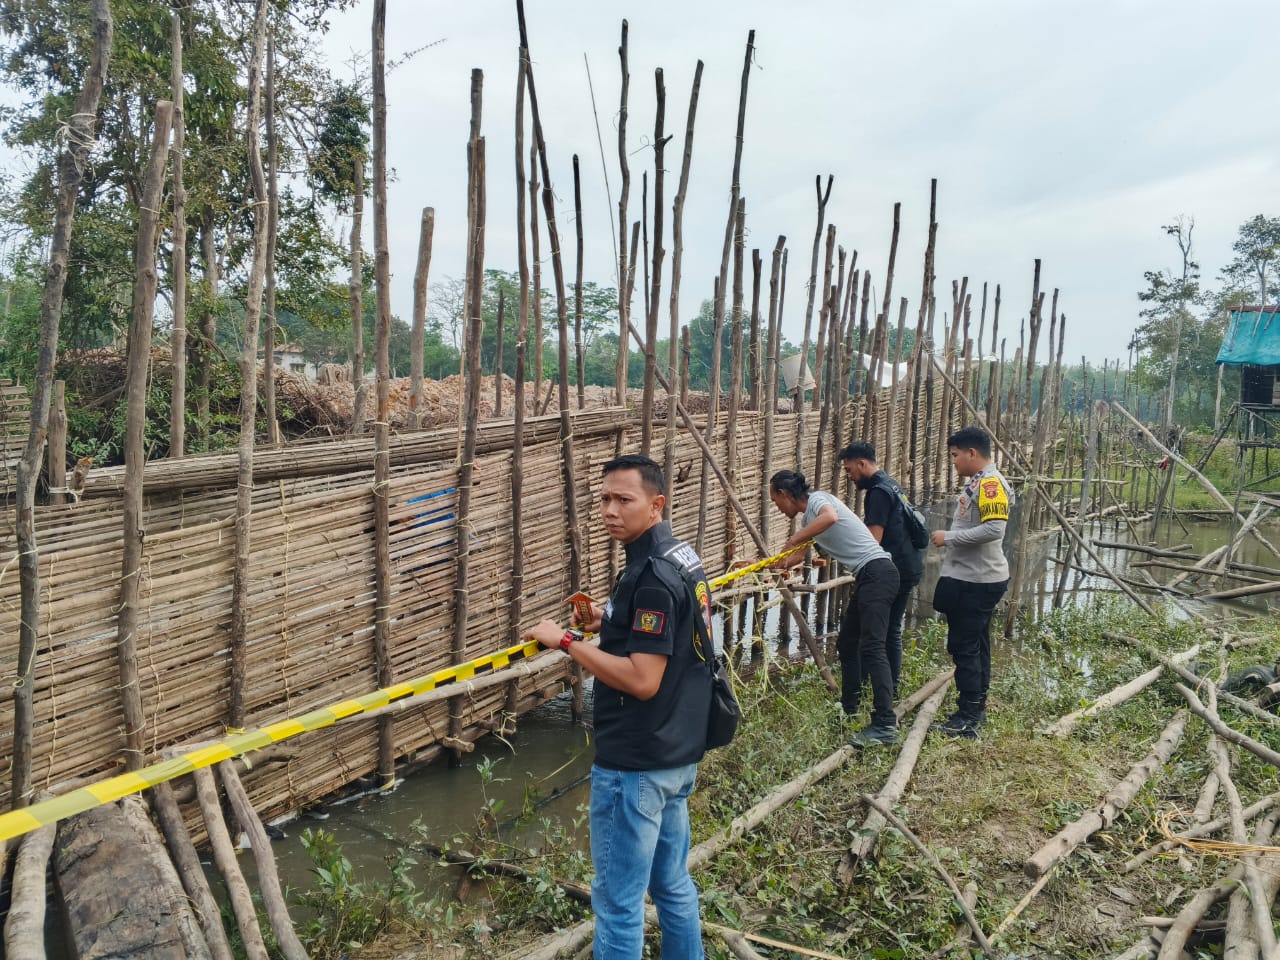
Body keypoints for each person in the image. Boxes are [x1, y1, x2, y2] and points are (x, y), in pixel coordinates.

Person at [523, 453, 709, 959]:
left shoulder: (650, 577)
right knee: (671, 883)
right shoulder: (681, 557)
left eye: (624, 499)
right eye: (604, 498)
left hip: (636, 763)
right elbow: (664, 640)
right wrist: (604, 627)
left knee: (619, 902)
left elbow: (642, 680)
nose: (609, 509)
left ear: (656, 505)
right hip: (676, 751)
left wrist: (564, 641)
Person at [767, 469, 900, 747]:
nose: (778, 509)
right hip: (869, 577)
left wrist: (793, 539)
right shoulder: (808, 520)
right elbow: (797, 557)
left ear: (784, 494)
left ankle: (885, 724)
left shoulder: (818, 501)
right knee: (848, 644)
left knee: (872, 646)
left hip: (879, 572)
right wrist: (765, 565)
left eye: (775, 501)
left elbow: (831, 517)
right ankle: (849, 708)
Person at [929, 425, 1014, 739]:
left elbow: (994, 530)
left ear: (972, 453)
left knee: (965, 646)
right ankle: (975, 708)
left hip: (977, 580)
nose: (953, 462)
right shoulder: (980, 482)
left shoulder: (990, 483)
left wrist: (949, 537)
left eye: (955, 455)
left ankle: (968, 717)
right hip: (973, 577)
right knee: (976, 644)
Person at [838, 441, 924, 697]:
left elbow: (872, 541)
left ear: (863, 464)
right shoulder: (893, 485)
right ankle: (891, 687)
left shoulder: (877, 492)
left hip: (892, 569)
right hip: (909, 565)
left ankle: (875, 689)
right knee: (891, 630)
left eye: (850, 470)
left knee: (876, 634)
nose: (850, 476)